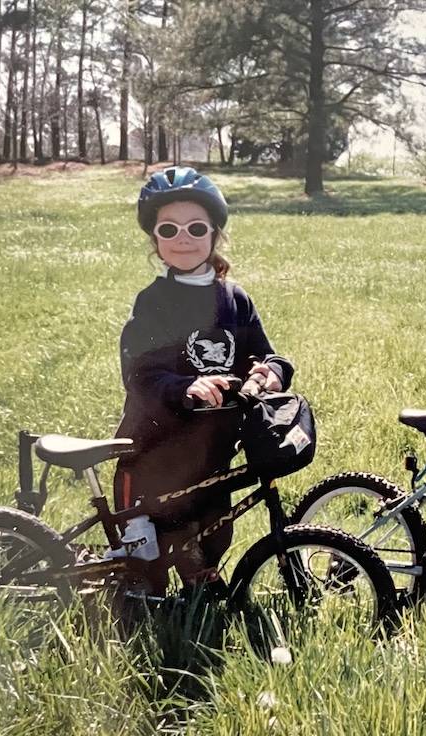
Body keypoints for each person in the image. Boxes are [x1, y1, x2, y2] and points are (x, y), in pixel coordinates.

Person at [112, 166, 293, 592]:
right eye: (168, 229)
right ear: (155, 242)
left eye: (195, 227)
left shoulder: (234, 297)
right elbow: (139, 373)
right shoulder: (154, 301)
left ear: (214, 233)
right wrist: (183, 387)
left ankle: (200, 583)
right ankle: (146, 591)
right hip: (157, 448)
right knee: (154, 545)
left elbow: (263, 353)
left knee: (215, 525)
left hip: (214, 445)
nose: (183, 238)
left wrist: (272, 371)